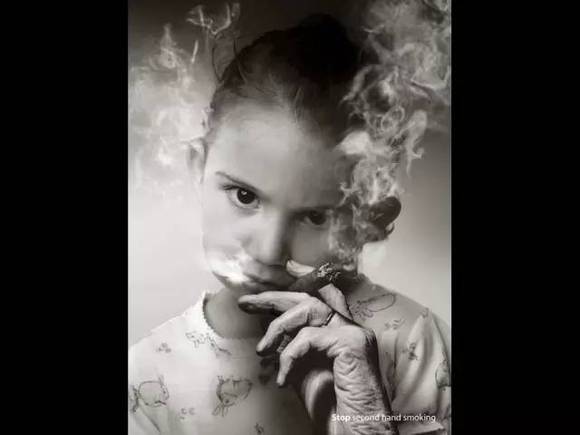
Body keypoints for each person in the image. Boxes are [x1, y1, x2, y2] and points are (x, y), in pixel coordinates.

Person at [129, 14, 451, 435]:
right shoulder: (147, 379)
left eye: (316, 216)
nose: (268, 251)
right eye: (244, 196)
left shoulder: (413, 341)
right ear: (198, 169)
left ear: (367, 223)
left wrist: (368, 419)